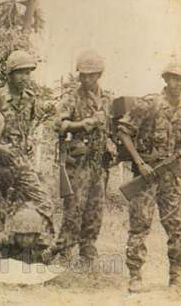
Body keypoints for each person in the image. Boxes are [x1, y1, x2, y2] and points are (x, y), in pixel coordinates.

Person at [117, 63, 181, 293]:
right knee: (140, 225)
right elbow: (123, 131)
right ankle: (135, 276)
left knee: (177, 226)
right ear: (166, 79)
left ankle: (176, 276)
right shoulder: (149, 103)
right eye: (175, 79)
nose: (179, 84)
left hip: (170, 177)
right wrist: (139, 163)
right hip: (147, 173)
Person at [0, 50, 54, 247]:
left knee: (43, 201)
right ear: (10, 74)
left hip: (21, 162)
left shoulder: (30, 98)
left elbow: (26, 126)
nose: (25, 78)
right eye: (20, 73)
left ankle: (41, 243)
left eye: (28, 73)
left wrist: (28, 141)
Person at [55, 50, 113, 267]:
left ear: (99, 74)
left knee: (95, 209)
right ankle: (64, 252)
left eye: (91, 75)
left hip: (99, 163)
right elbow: (58, 124)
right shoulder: (72, 97)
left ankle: (87, 253)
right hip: (78, 162)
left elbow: (113, 126)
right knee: (74, 208)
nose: (87, 79)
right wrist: (82, 124)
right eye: (83, 75)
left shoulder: (108, 98)